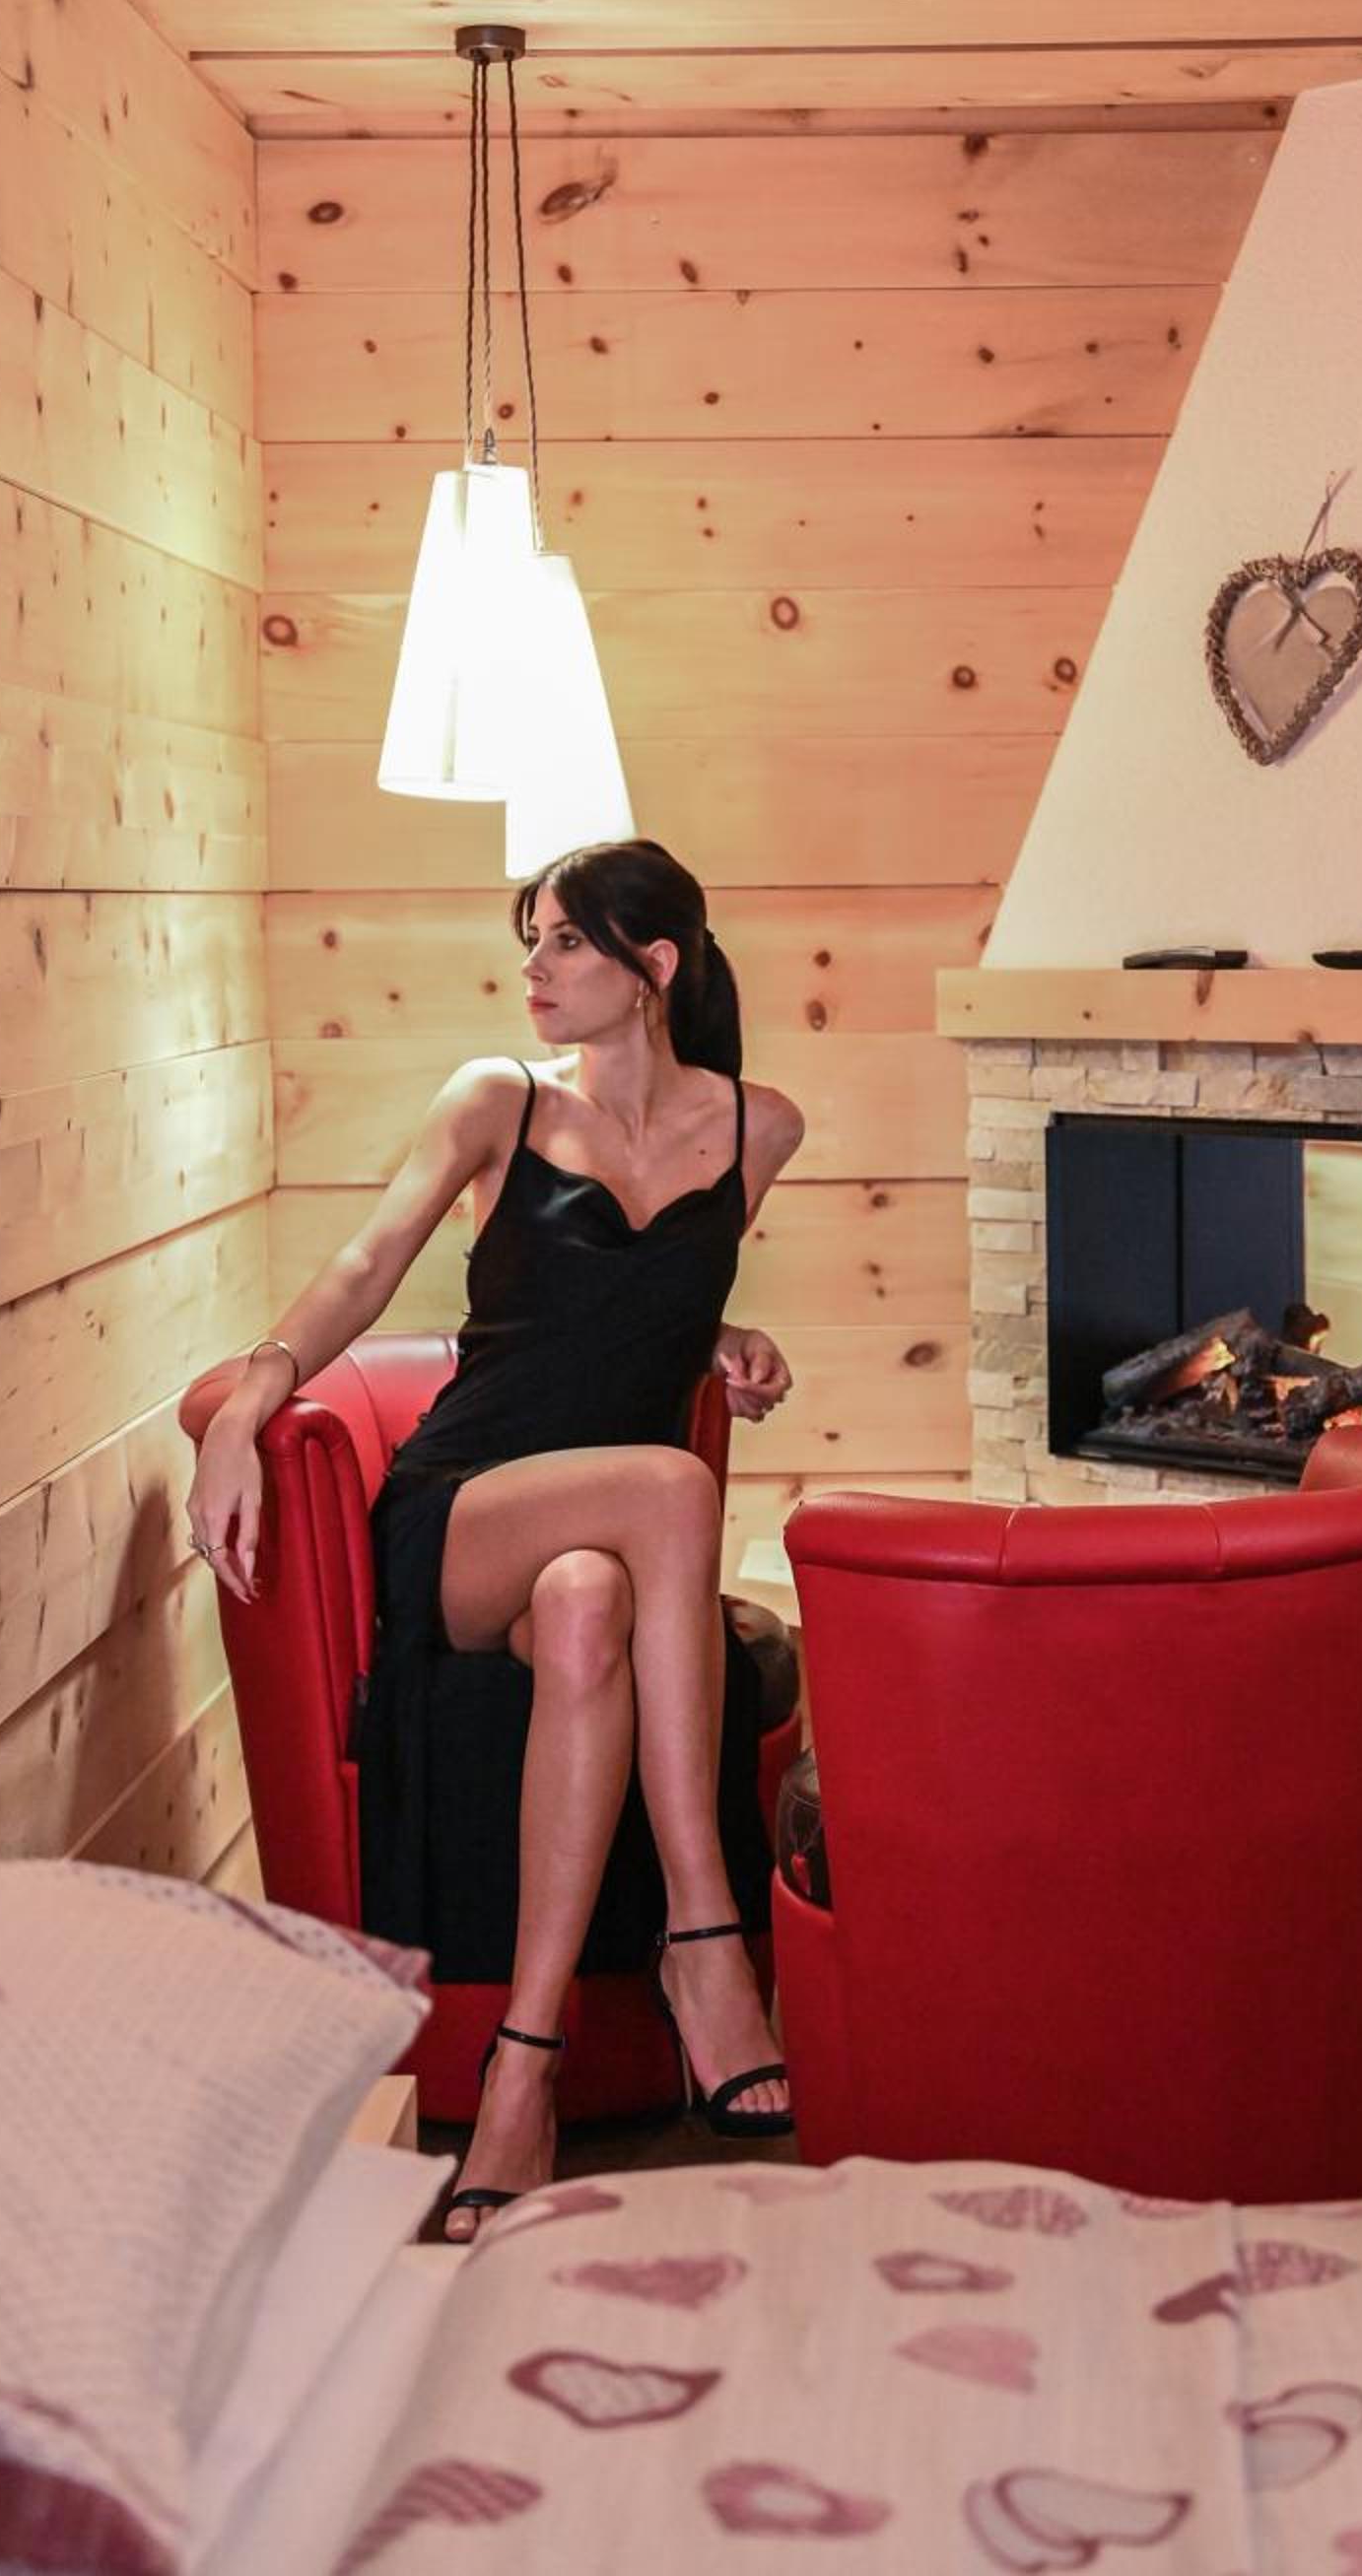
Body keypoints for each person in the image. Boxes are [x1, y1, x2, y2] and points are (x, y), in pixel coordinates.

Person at [185, 839, 805, 2240]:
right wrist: (251, 1398)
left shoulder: (756, 1128)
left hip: (596, 1539)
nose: (534, 967)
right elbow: (369, 1262)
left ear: (652, 968)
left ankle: (521, 2070)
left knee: (589, 1604)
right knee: (671, 1490)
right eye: (531, 939)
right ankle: (703, 1936)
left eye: (566, 941)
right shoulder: (499, 1100)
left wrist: (722, 1332)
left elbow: (636, 1298)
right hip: (465, 1506)